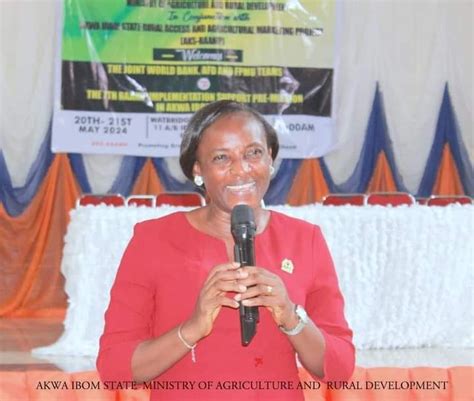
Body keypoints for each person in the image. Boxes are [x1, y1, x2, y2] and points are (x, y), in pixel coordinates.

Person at [97, 100, 355, 400]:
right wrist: (192, 328)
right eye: (221, 158)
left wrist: (291, 317)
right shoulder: (153, 240)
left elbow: (340, 369)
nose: (241, 170)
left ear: (270, 157)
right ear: (198, 169)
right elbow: (114, 368)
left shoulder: (304, 239)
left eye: (253, 153)